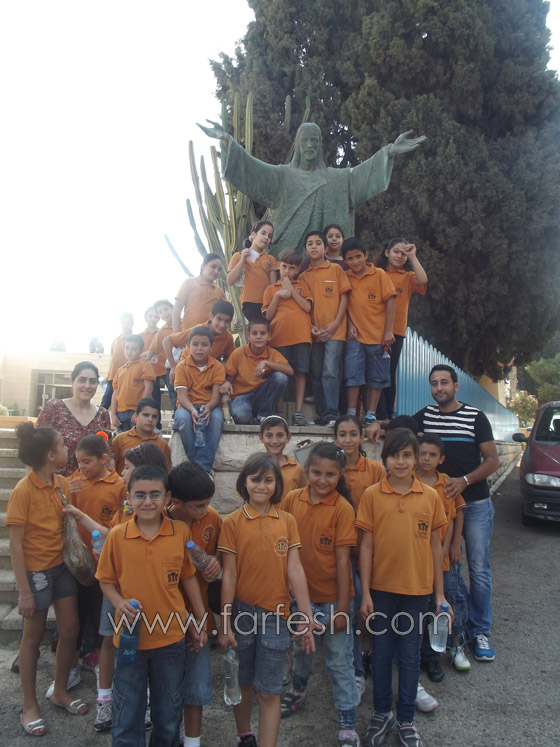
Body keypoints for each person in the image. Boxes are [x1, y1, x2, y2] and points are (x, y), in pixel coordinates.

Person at [366, 364, 500, 662]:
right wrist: (379, 424)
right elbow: (400, 427)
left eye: (444, 383)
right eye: (434, 384)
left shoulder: (475, 417)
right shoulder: (426, 415)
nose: (439, 388)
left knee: (478, 569)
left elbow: (492, 460)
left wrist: (464, 481)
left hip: (473, 502)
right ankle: (451, 633)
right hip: (436, 503)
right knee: (447, 570)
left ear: (455, 386)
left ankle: (481, 631)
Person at [96, 465, 207, 746]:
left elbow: (188, 578)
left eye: (155, 495)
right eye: (140, 495)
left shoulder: (180, 532)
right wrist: (118, 602)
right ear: (129, 498)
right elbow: (105, 581)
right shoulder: (117, 536)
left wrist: (199, 621)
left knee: (168, 713)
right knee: (127, 711)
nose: (148, 501)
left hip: (171, 639)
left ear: (167, 498)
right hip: (129, 640)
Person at [199, 120, 426, 254]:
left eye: (315, 140)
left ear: (320, 144)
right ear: (298, 144)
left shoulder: (339, 178)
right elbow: (251, 170)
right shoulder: (282, 176)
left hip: (325, 265)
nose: (310, 145)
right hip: (286, 256)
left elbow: (361, 176)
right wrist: (227, 141)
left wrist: (388, 152)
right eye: (305, 140)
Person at [65, 441, 169, 734]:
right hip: (116, 587)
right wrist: (84, 521)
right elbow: (111, 534)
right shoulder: (127, 503)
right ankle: (105, 699)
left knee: (145, 645)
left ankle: (145, 700)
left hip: (146, 591)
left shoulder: (160, 510)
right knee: (108, 642)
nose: (121, 472)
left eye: (128, 467)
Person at [217, 452, 319, 747]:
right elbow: (229, 576)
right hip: (242, 613)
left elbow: (295, 569)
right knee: (243, 682)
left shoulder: (287, 521)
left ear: (277, 485)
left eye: (269, 480)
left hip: (277, 616)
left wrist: (306, 615)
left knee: (270, 690)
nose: (261, 486)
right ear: (244, 483)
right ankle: (244, 736)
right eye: (255, 479)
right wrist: (225, 623)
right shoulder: (233, 522)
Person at [357, 429, 450, 747]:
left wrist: (439, 595)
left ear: (416, 459)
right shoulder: (372, 495)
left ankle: (406, 719)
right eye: (395, 455)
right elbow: (366, 546)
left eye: (407, 455)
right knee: (381, 655)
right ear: (385, 459)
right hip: (381, 591)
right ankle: (382, 712)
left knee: (410, 657)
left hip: (417, 592)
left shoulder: (430, 496)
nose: (401, 461)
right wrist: (365, 593)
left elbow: (436, 547)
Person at [6, 424, 86, 737]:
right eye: (63, 445)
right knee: (32, 637)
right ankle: (29, 705)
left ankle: (60, 690)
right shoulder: (22, 491)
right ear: (50, 455)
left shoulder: (61, 483)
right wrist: (24, 592)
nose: (68, 449)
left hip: (61, 567)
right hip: (36, 574)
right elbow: (15, 545)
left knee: (70, 629)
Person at [280, 442, 360, 747]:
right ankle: (298, 691)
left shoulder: (342, 509)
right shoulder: (291, 500)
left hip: (333, 599)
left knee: (339, 660)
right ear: (306, 470)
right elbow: (284, 549)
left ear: (340, 475)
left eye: (330, 475)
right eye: (316, 473)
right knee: (301, 650)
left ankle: (347, 719)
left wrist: (342, 608)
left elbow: (343, 562)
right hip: (300, 599)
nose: (323, 480)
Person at [166, 462, 222, 747]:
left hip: (201, 621)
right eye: (198, 506)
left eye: (208, 503)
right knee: (166, 688)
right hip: (165, 622)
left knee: (196, 688)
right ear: (176, 502)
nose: (205, 509)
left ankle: (192, 741)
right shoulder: (159, 523)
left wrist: (215, 563)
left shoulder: (212, 519)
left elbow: (222, 556)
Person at [333, 415, 386, 700]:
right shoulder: (331, 468)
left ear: (362, 437)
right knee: (352, 603)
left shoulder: (375, 469)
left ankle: (372, 652)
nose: (348, 440)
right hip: (341, 550)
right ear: (335, 438)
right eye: (342, 434)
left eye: (353, 434)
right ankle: (354, 663)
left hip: (369, 548)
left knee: (373, 603)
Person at [416, 434, 471, 681]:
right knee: (417, 609)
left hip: (443, 559)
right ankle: (414, 656)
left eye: (432, 455)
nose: (426, 459)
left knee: (441, 606)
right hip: (416, 559)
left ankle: (433, 657)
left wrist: (453, 544)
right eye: (422, 454)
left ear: (441, 459)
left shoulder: (447, 483)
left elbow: (456, 515)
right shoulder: (409, 480)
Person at [342, 237, 397, 427]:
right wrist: (349, 324)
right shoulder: (346, 277)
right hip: (355, 337)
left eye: (358, 256)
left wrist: (389, 331)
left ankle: (371, 414)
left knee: (377, 377)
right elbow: (343, 304)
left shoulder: (379, 274)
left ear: (366, 255)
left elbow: (391, 301)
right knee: (353, 375)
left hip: (379, 336)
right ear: (345, 261)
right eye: (350, 258)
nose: (355, 261)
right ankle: (351, 413)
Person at [299, 231, 351, 426]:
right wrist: (311, 327)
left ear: (325, 248)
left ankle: (331, 414)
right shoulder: (303, 277)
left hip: (335, 331)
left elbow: (345, 297)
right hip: (313, 333)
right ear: (305, 250)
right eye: (310, 243)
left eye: (318, 243)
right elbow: (303, 306)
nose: (314, 246)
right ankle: (322, 414)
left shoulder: (336, 270)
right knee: (317, 373)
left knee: (330, 371)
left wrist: (336, 323)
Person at [375, 238, 428, 420]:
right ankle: (376, 414)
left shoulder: (407, 277)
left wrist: (413, 256)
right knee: (374, 373)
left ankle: (387, 415)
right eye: (396, 251)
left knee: (389, 373)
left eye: (403, 253)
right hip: (373, 330)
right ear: (387, 252)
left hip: (395, 332)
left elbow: (423, 280)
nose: (399, 256)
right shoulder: (377, 273)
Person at [262, 248, 313, 425]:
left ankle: (298, 411)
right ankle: (279, 411)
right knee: (280, 373)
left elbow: (307, 307)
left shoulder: (302, 286)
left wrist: (292, 291)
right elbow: (268, 316)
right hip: (279, 337)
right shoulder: (270, 289)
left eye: (292, 268)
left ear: (297, 269)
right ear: (279, 266)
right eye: (284, 267)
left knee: (300, 372)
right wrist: (278, 295)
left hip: (301, 335)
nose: (287, 271)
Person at [37, 361, 111, 476]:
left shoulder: (103, 415)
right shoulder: (54, 408)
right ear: (72, 381)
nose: (87, 386)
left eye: (92, 381)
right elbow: (35, 448)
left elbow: (108, 456)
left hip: (92, 485)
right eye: (82, 380)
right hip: (56, 484)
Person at [173, 326, 226, 473]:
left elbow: (216, 396)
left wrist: (208, 407)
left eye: (204, 345)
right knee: (183, 419)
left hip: (210, 405)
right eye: (195, 344)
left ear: (211, 347)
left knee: (217, 419)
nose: (199, 349)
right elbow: (182, 396)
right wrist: (191, 410)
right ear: (188, 345)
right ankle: (201, 467)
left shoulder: (217, 367)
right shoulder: (181, 367)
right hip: (186, 406)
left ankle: (201, 468)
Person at [224, 317, 293, 425]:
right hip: (241, 397)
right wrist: (227, 382)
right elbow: (229, 378)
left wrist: (266, 363)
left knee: (281, 377)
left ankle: (263, 415)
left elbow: (290, 370)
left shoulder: (272, 353)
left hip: (262, 397)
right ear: (248, 335)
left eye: (263, 333)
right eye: (254, 333)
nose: (259, 337)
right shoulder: (238, 353)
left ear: (269, 336)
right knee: (242, 416)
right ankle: (255, 420)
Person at [164, 300, 235, 381]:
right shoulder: (198, 330)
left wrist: (222, 372)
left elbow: (228, 358)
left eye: (227, 321)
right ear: (211, 316)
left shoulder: (228, 338)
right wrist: (173, 366)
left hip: (205, 375)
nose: (222, 324)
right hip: (183, 370)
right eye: (219, 319)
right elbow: (167, 341)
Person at [227, 221, 278, 321]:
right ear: (253, 234)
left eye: (269, 236)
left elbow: (273, 286)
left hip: (266, 304)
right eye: (263, 233)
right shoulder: (238, 256)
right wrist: (243, 260)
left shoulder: (270, 259)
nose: (266, 237)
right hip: (249, 303)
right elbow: (230, 281)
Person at [111, 398, 171, 474]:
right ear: (135, 417)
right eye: (146, 415)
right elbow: (111, 470)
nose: (150, 420)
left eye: (154, 416)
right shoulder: (120, 440)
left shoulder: (162, 445)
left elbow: (165, 473)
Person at [110, 334, 156, 432]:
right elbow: (115, 394)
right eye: (127, 347)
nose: (129, 351)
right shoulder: (120, 370)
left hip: (136, 414)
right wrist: (113, 415)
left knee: (137, 440)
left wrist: (140, 411)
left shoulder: (144, 365)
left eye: (134, 349)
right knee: (122, 441)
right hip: (120, 414)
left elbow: (149, 388)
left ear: (140, 350)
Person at [172, 254, 227, 332]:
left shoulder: (219, 292)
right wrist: (176, 334)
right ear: (203, 266)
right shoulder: (189, 282)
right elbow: (177, 308)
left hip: (211, 336)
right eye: (213, 267)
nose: (216, 271)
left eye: (219, 269)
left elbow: (225, 315)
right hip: (189, 334)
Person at [142, 299, 177, 415]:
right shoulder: (162, 331)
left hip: (184, 365)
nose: (164, 313)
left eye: (166, 310)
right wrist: (146, 359)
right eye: (160, 312)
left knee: (180, 390)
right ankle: (177, 417)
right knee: (172, 392)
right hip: (169, 366)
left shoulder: (184, 323)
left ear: (173, 309)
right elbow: (153, 348)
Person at [258, 415, 306, 499]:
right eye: (269, 435)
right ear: (261, 438)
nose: (274, 441)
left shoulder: (296, 469)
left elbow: (302, 498)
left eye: (280, 435)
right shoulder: (254, 466)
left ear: (288, 437)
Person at [101, 312, 134, 410]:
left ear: (132, 323)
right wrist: (108, 375)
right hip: (113, 376)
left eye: (128, 323)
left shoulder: (133, 340)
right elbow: (113, 359)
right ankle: (99, 418)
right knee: (106, 400)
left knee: (121, 401)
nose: (126, 325)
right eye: (123, 322)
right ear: (120, 323)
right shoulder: (115, 340)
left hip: (126, 376)